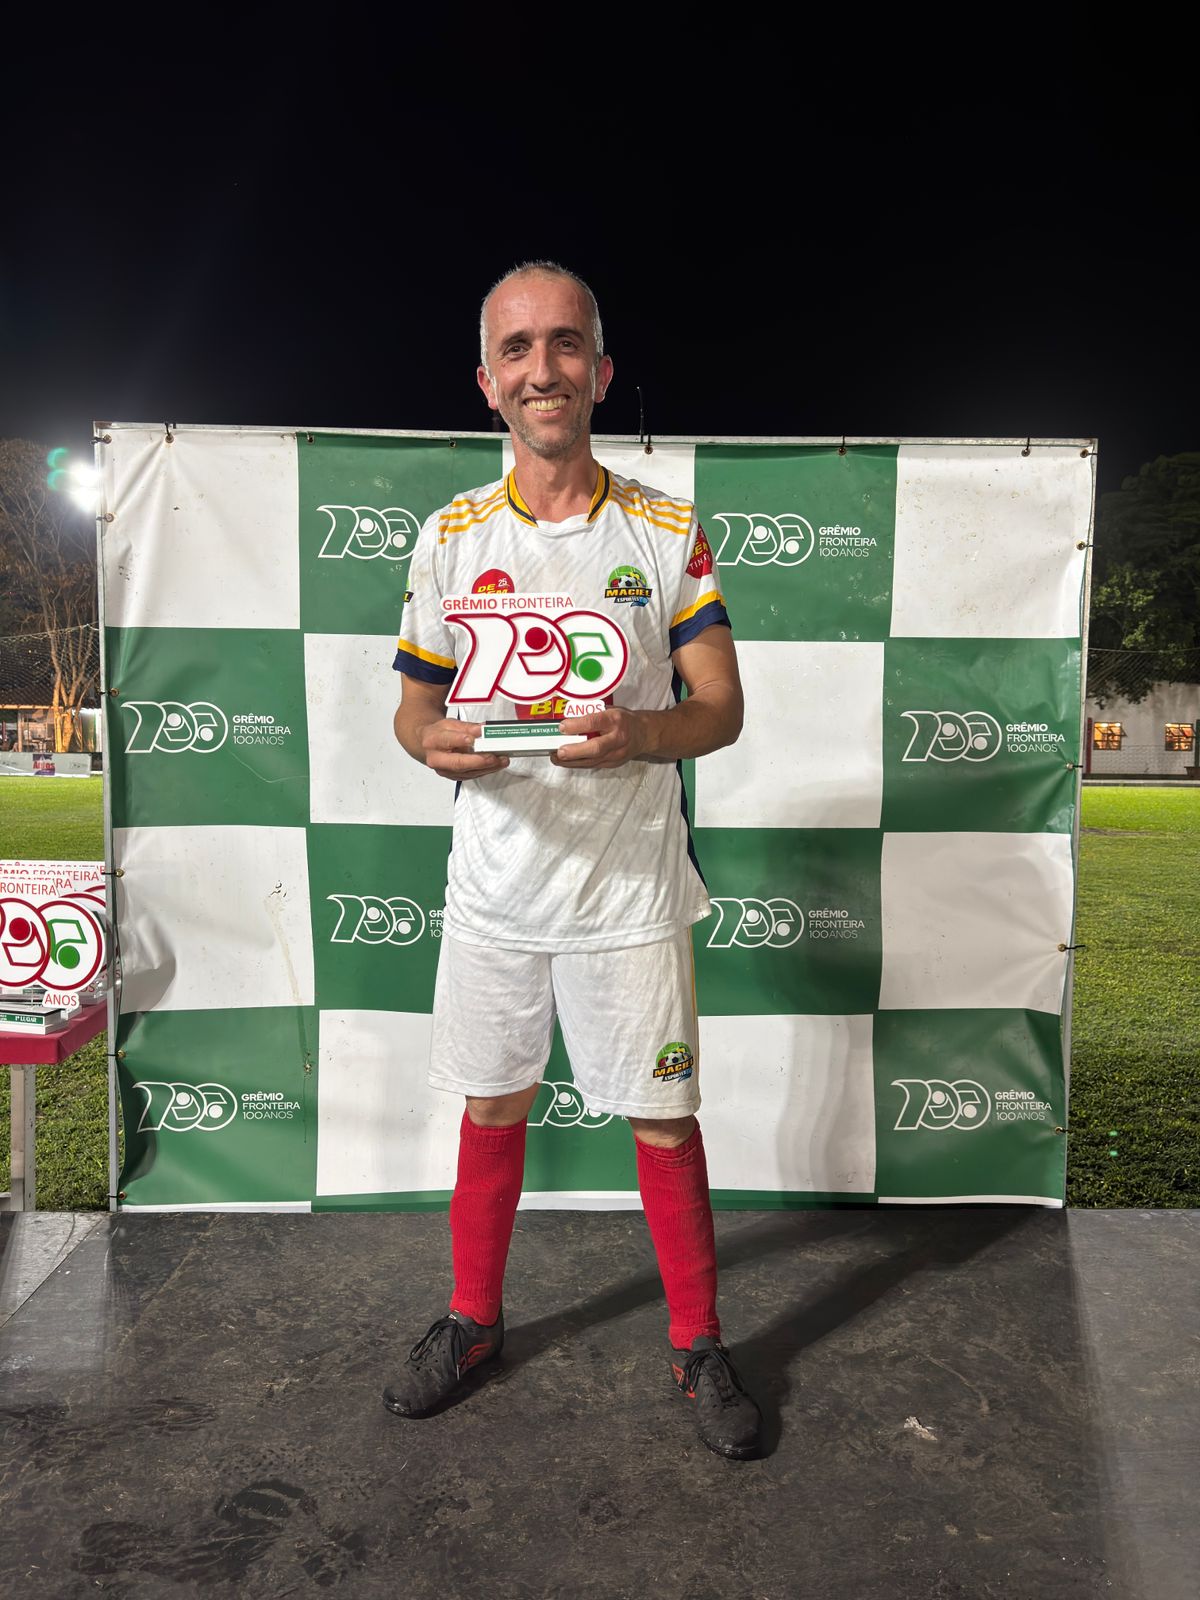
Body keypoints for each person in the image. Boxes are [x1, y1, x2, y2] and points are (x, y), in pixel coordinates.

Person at [385, 261, 761, 1459]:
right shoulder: (450, 537)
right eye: (517, 348)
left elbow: (721, 708)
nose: (540, 369)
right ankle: (473, 1321)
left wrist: (640, 736)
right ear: (486, 382)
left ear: (600, 373)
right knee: (492, 1101)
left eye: (563, 345)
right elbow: (412, 708)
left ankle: (699, 1342)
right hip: (496, 887)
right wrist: (430, 742)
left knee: (664, 1115)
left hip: (629, 889)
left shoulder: (666, 529)